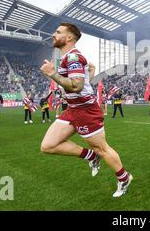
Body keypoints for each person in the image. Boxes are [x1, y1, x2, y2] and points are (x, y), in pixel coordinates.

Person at [40, 23, 133, 198]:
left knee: (102, 149)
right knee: (48, 145)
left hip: (86, 110)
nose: (54, 34)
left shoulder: (73, 58)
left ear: (69, 38)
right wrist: (89, 72)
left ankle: (124, 177)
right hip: (73, 109)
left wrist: (52, 73)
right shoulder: (68, 57)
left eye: (58, 32)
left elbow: (76, 86)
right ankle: (90, 156)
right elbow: (82, 84)